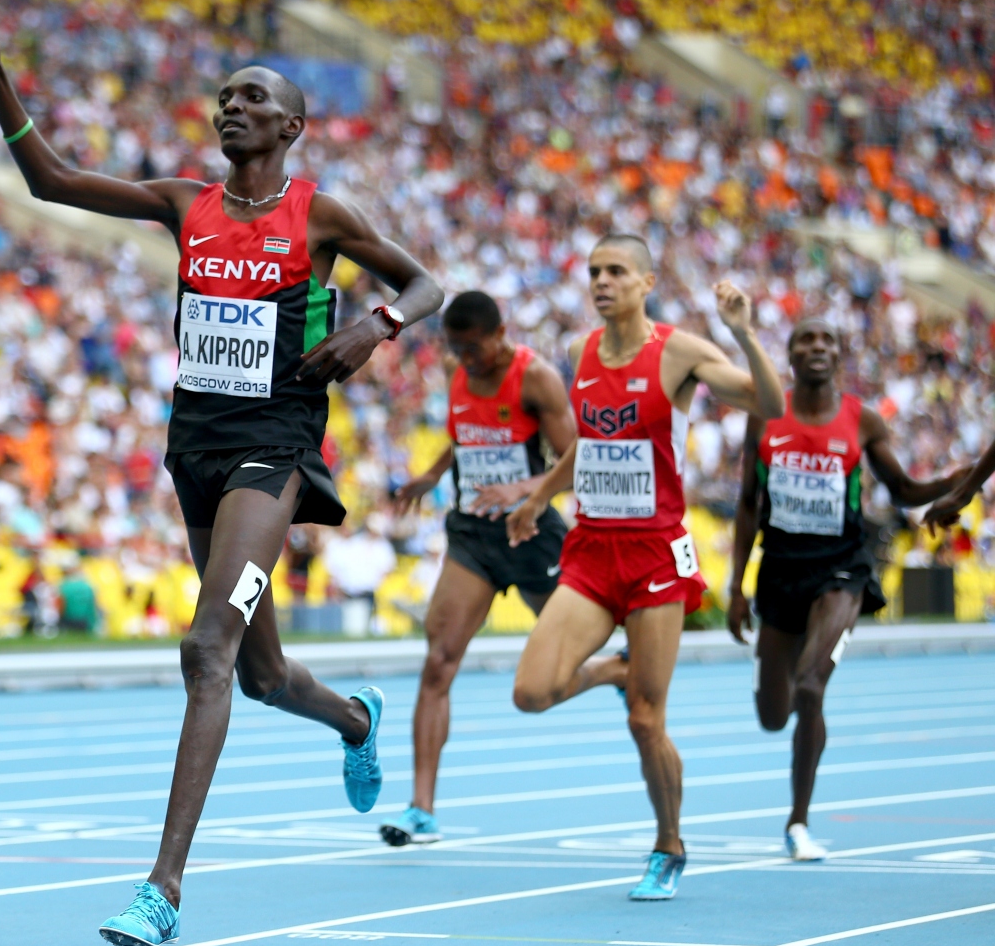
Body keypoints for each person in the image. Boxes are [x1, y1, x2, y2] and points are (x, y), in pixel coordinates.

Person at [0, 0, 444, 946]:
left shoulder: (322, 216)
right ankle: (353, 718)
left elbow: (428, 281)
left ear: (294, 126)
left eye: (254, 97)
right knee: (256, 676)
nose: (233, 106)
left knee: (204, 645)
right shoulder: (185, 204)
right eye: (225, 96)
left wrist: (373, 327)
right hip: (198, 448)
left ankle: (163, 887)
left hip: (277, 446)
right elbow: (49, 180)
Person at [505, 233, 784, 901]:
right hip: (593, 549)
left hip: (656, 554)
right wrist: (540, 495)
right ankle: (611, 670)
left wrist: (744, 333)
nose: (602, 281)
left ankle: (669, 844)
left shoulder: (679, 351)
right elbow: (591, 446)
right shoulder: (581, 352)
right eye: (595, 271)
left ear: (647, 281)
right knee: (531, 691)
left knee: (645, 720)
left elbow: (770, 405)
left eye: (616, 271)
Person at [731, 319, 967, 859]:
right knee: (773, 714)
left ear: (839, 356)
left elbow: (903, 488)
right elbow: (747, 505)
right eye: (804, 342)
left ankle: (797, 823)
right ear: (788, 358)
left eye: (826, 342)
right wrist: (737, 588)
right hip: (780, 569)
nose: (816, 348)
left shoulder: (860, 419)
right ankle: (785, 691)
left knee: (812, 687)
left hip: (842, 568)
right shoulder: (765, 415)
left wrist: (962, 478)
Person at [382, 290, 574, 846]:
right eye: (456, 349)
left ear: (499, 335)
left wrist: (523, 488)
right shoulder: (457, 368)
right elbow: (467, 436)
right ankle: (421, 809)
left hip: (532, 531)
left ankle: (615, 671)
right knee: (438, 663)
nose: (466, 359)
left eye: (475, 349)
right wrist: (430, 474)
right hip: (473, 535)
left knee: (574, 648)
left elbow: (574, 461)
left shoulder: (535, 379)